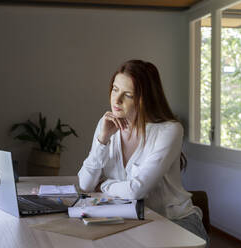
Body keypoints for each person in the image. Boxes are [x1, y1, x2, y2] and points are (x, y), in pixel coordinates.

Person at [78, 59, 209, 245]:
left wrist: (104, 185)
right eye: (115, 89)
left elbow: (136, 190)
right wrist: (102, 139)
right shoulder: (106, 125)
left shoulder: (170, 130)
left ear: (144, 98)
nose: (116, 100)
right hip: (133, 221)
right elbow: (84, 185)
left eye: (128, 95)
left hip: (177, 222)